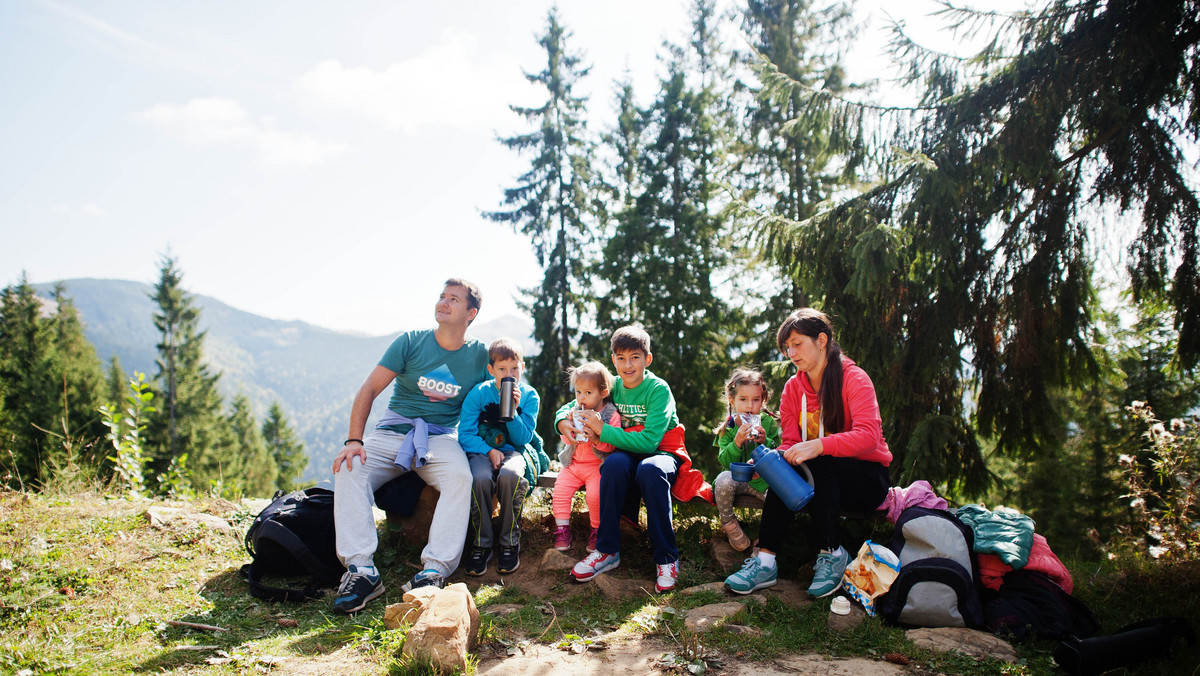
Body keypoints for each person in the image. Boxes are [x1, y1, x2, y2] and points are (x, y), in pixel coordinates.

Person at [329, 278, 488, 614]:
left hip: (441, 437)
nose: (444, 303)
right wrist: (354, 441)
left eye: (454, 300)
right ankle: (361, 571)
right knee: (350, 467)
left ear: (471, 313)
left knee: (460, 478)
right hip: (392, 432)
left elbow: (500, 389)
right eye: (442, 296)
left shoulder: (479, 355)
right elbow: (369, 389)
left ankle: (434, 571)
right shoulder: (411, 342)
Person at [724, 308, 892, 598]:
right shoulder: (793, 389)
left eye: (797, 343)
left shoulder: (854, 379)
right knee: (781, 466)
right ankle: (765, 562)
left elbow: (869, 437)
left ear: (822, 340)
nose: (791, 352)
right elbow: (790, 442)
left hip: (865, 480)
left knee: (821, 459)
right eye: (787, 346)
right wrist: (770, 460)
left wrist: (818, 445)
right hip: (820, 481)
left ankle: (832, 553)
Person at [564, 326, 712, 593]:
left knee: (650, 469)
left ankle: (666, 559)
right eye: (621, 358)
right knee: (612, 464)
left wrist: (603, 430)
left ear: (647, 359)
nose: (628, 365)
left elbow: (650, 442)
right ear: (613, 361)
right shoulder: (613, 385)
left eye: (635, 357)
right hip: (627, 453)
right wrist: (560, 422)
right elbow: (578, 399)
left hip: (663, 453)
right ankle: (607, 551)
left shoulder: (658, 390)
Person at [458, 338, 541, 576]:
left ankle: (509, 540)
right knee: (480, 478)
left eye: (514, 368)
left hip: (514, 450)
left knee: (511, 475)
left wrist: (513, 412)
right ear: (491, 370)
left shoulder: (529, 395)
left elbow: (524, 438)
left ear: (522, 368)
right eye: (502, 369)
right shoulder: (479, 393)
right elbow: (465, 433)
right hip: (481, 450)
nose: (509, 374)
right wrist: (488, 451)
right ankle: (481, 543)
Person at [551, 361, 620, 553]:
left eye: (588, 393)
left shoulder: (610, 414)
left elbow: (611, 445)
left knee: (595, 495)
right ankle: (562, 530)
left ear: (603, 393)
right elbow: (565, 438)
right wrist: (569, 432)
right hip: (573, 465)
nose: (581, 398)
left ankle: (597, 530)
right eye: (578, 392)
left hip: (596, 467)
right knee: (560, 492)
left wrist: (598, 437)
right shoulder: (574, 410)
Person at [712, 367, 781, 551]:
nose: (750, 406)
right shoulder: (728, 428)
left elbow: (779, 452)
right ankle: (730, 525)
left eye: (756, 400)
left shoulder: (768, 423)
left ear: (763, 400)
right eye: (743, 400)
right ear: (732, 400)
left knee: (779, 497)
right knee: (722, 480)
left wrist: (764, 441)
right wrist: (737, 442)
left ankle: (766, 539)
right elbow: (725, 462)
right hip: (737, 479)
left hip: (763, 481)